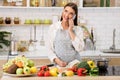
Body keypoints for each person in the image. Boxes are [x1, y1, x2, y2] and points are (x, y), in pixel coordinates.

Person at [46, 2, 84, 67]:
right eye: (66, 11)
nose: (66, 15)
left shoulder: (78, 30)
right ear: (62, 11)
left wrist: (71, 31)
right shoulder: (53, 28)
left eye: (71, 13)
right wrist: (58, 61)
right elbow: (49, 49)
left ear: (74, 16)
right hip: (59, 66)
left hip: (75, 66)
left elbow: (79, 48)